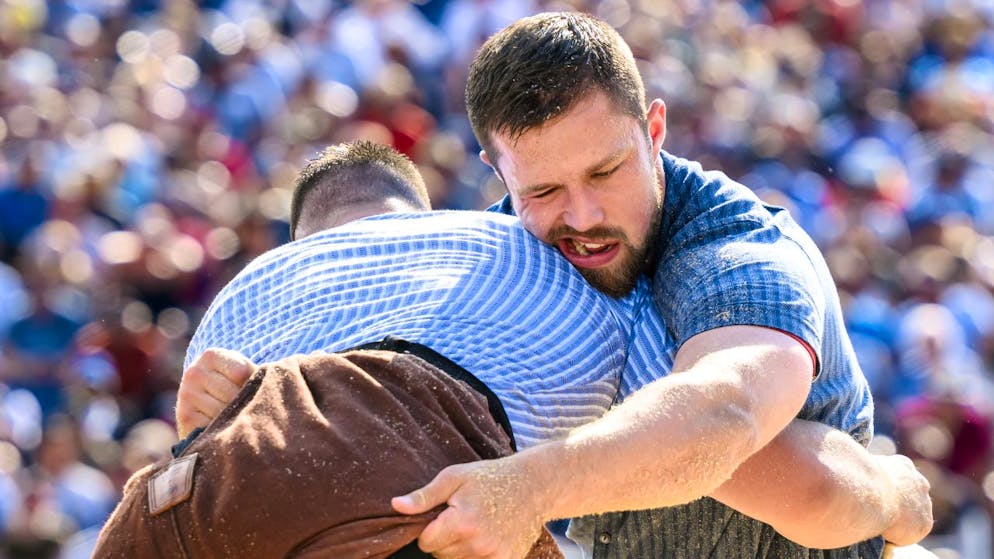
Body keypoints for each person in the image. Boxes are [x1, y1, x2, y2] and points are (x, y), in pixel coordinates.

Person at [169, 141, 930, 558]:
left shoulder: (235, 349)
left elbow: (741, 448)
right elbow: (773, 469)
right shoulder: (519, 292)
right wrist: (893, 495)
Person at [386, 11, 933, 559]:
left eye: (606, 171)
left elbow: (725, 414)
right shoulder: (497, 259)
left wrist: (525, 488)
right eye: (545, 190)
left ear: (653, 132)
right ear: (498, 173)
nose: (583, 215)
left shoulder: (737, 249)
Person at [93, 140, 671, 558]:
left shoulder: (245, 290)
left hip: (166, 509)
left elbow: (219, 445)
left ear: (304, 242)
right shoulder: (505, 243)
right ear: (417, 217)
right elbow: (670, 430)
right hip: (381, 474)